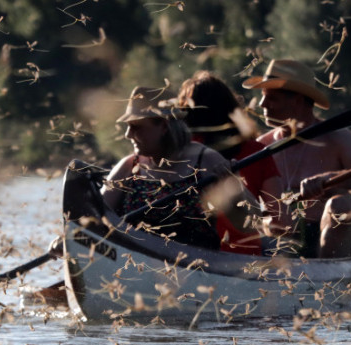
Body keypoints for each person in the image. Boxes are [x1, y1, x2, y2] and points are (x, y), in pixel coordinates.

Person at [242, 58, 351, 258]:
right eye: (262, 96)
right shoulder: (262, 147)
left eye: (272, 98)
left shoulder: (339, 139)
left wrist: (330, 183)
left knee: (342, 204)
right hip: (286, 242)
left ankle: (327, 278)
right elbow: (247, 209)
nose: (262, 104)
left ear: (298, 100)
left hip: (339, 242)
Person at [102, 85, 246, 250]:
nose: (128, 134)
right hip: (136, 264)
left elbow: (245, 224)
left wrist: (233, 185)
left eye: (136, 126)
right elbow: (94, 216)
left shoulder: (206, 160)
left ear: (164, 126)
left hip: (195, 266)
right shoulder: (128, 167)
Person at [176, 71, 281, 255]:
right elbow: (279, 220)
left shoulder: (182, 152)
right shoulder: (258, 151)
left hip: (192, 255)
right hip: (247, 257)